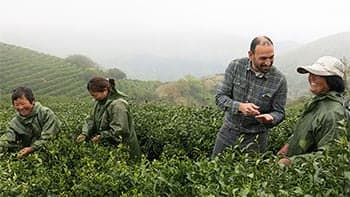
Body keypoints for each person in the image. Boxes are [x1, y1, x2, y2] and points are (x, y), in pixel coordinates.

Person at [212, 36, 287, 157]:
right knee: (215, 169)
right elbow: (220, 97)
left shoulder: (279, 80)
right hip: (228, 133)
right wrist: (239, 106)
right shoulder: (236, 66)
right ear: (251, 55)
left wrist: (271, 117)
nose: (268, 62)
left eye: (271, 57)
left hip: (256, 139)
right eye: (263, 58)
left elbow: (280, 112)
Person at [278, 56, 347, 166]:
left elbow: (330, 156)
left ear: (333, 80)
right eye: (311, 74)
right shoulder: (317, 102)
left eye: (318, 75)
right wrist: (288, 146)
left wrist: (290, 162)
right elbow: (305, 131)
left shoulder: (333, 113)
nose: (311, 78)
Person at [76, 77, 141, 162]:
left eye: (95, 95)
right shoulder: (99, 102)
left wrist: (101, 136)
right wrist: (84, 133)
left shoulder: (118, 105)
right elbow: (91, 119)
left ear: (105, 90)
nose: (94, 98)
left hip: (124, 149)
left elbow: (120, 130)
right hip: (110, 147)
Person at [0, 87, 61, 158]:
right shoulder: (16, 121)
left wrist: (32, 148)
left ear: (32, 102)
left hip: (52, 153)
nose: (20, 108)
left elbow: (49, 137)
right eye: (17, 105)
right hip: (29, 154)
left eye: (23, 104)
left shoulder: (46, 114)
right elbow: (8, 137)